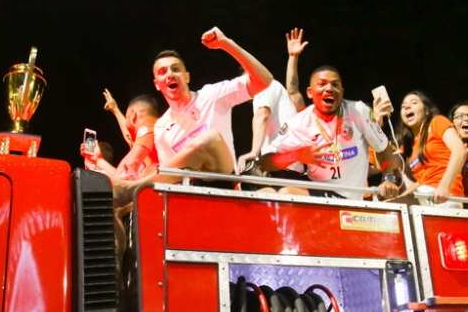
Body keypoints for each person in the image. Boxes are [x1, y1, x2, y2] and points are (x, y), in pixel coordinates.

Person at [111, 27, 273, 205]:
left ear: (187, 77)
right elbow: (168, 177)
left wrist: (226, 43)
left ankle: (134, 188)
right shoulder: (161, 127)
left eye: (175, 69)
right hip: (193, 195)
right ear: (157, 85)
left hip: (224, 181)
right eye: (163, 72)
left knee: (210, 138)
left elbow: (264, 81)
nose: (170, 74)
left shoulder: (212, 95)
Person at [259, 65, 401, 200]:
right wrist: (297, 154)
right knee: (264, 193)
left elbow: (382, 147)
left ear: (342, 92)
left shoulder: (359, 111)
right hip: (320, 194)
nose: (329, 88)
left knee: (286, 193)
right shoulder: (299, 123)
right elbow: (265, 163)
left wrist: (388, 178)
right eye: (322, 84)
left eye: (335, 84)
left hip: (351, 198)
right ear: (310, 92)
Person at [235, 31, 303, 173]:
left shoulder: (264, 85)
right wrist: (292, 57)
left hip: (283, 168)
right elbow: (293, 91)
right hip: (293, 168)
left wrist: (254, 152)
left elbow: (262, 115)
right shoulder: (280, 96)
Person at [397, 91, 467, 207]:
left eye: (414, 103)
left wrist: (444, 187)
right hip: (424, 194)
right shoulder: (411, 145)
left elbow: (460, 151)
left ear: (427, 110)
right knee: (386, 208)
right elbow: (385, 163)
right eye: (403, 106)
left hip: (443, 196)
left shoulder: (437, 122)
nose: (407, 107)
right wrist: (376, 121)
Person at [82, 94, 161, 180]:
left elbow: (133, 160)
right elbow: (121, 175)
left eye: (127, 117)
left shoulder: (150, 125)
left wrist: (114, 185)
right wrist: (98, 160)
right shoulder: (145, 143)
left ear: (133, 115)